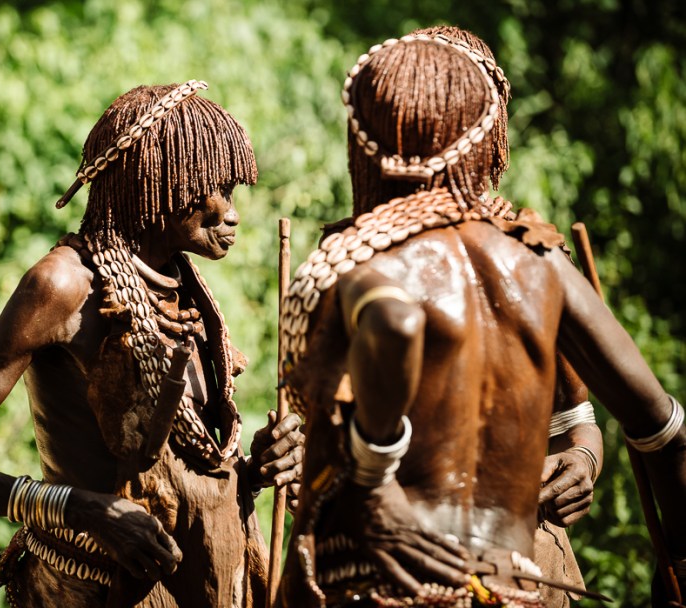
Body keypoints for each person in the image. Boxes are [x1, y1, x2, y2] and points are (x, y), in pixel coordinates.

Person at [276, 27, 685, 607]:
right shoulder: (541, 265)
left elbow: (394, 330)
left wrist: (370, 481)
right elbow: (666, 430)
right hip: (513, 587)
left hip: (387, 588)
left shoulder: (355, 262)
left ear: (363, 141)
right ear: (482, 137)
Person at [0, 81, 305, 607]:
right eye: (211, 188)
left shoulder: (181, 283)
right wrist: (83, 510)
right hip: (95, 590)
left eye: (232, 191)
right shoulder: (63, 287)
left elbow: (180, 479)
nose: (231, 212)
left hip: (207, 584)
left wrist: (254, 469)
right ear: (156, 184)